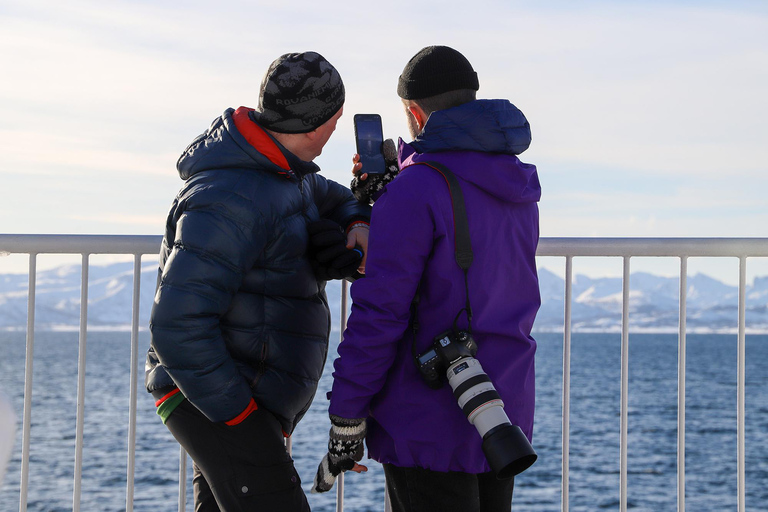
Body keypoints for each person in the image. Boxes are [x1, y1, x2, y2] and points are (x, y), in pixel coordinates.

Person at [313, 46, 541, 512]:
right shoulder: (515, 184)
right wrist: (400, 180)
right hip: (499, 413)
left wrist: (347, 417)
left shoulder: (415, 190)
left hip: (428, 414)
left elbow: (381, 311)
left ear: (414, 113)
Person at [145, 51, 371, 512]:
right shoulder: (230, 195)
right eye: (336, 118)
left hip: (239, 392)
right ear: (318, 123)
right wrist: (239, 416)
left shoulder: (287, 173)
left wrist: (354, 225)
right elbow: (176, 324)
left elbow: (338, 198)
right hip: (218, 398)